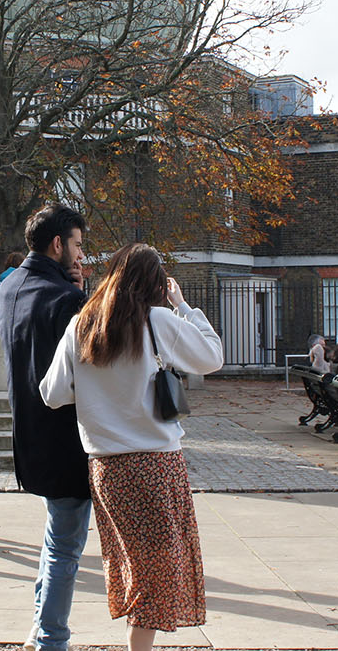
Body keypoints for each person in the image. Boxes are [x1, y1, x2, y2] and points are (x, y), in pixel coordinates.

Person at [40, 244, 223, 651]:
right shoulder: (157, 320)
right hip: (157, 465)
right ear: (155, 282)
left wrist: (95, 397)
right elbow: (212, 357)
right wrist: (184, 306)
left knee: (137, 569)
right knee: (156, 573)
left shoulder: (82, 325)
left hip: (107, 470)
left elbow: (52, 394)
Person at [0, 204, 91, 651]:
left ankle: (40, 627)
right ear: (57, 244)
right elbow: (85, 372)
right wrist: (82, 298)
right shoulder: (67, 300)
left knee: (57, 539)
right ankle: (50, 640)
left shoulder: (11, 286)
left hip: (28, 433)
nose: (79, 253)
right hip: (65, 440)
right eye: (75, 244)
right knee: (66, 547)